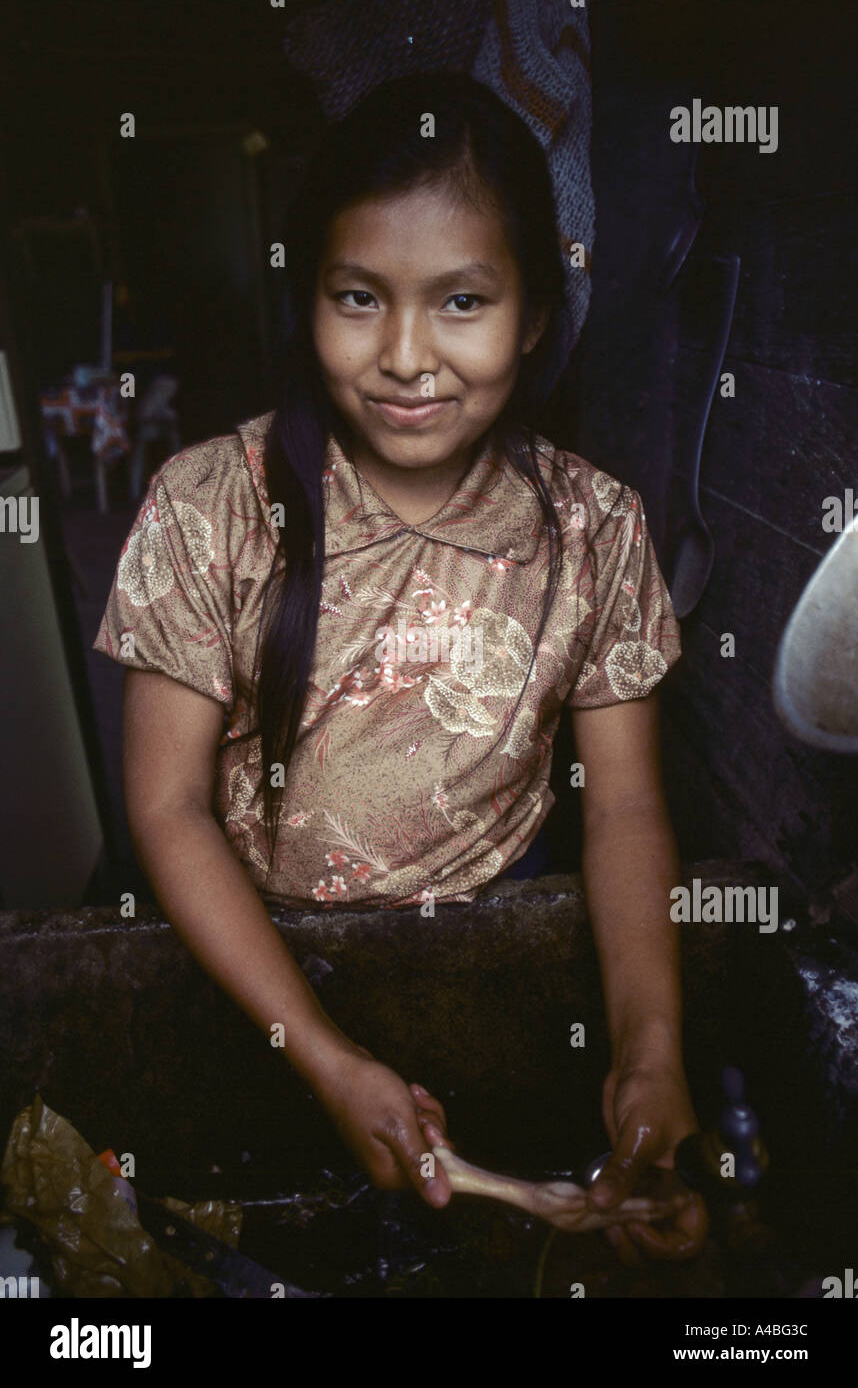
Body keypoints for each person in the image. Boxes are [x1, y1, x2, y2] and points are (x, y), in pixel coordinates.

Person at [93, 73, 707, 1268]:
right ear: (309, 298)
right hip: (246, 965)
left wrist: (651, 1049)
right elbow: (165, 806)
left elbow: (626, 805)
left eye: (463, 300)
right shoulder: (209, 509)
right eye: (359, 298)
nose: (408, 355)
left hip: (487, 948)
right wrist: (322, 1054)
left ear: (532, 315)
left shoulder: (593, 529)